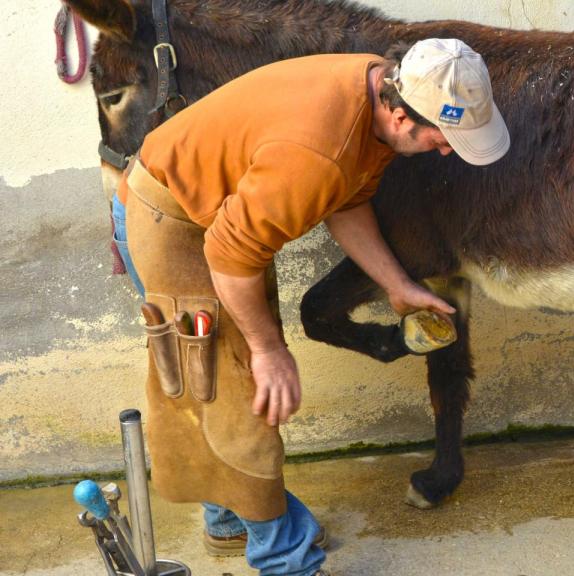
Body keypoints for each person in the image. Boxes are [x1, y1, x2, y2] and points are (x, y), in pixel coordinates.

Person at [110, 38, 510, 576]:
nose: (445, 151)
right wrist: (268, 350)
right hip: (172, 221)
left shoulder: (374, 90)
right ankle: (286, 560)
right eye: (442, 137)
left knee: (209, 381)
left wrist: (393, 284)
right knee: (236, 391)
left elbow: (346, 199)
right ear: (398, 114)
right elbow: (229, 252)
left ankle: (231, 520)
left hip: (216, 219)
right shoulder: (317, 150)